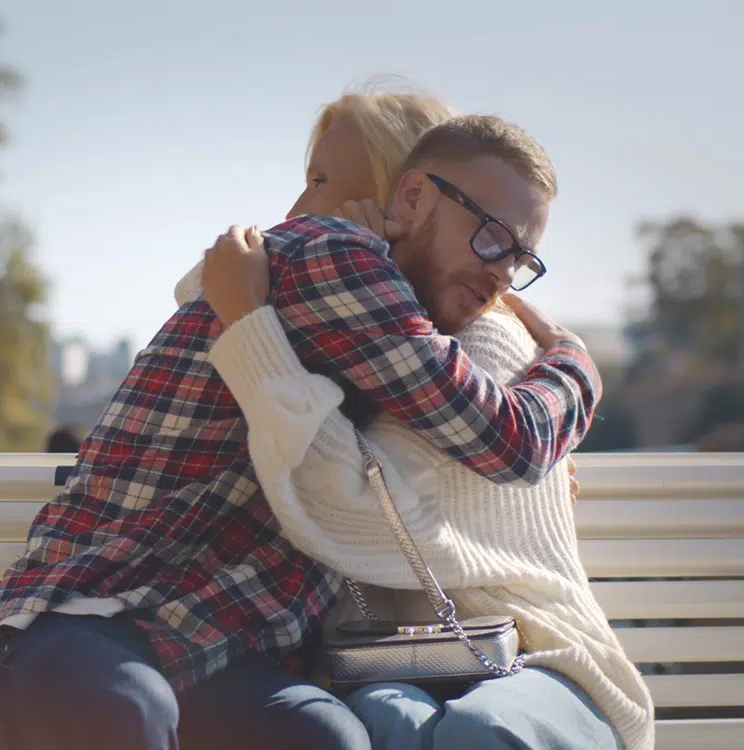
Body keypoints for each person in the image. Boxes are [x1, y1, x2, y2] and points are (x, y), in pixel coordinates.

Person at [0, 92, 601, 750]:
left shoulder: (421, 327)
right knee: (124, 706)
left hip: (219, 649)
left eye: (519, 258)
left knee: (326, 738)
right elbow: (513, 440)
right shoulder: (337, 254)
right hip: (100, 613)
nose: (502, 274)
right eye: (489, 237)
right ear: (411, 195)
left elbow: (487, 454)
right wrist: (575, 365)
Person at [194, 146, 654, 747]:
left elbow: (353, 504)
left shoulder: (486, 337)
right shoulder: (375, 340)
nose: (305, 213)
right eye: (493, 240)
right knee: (387, 720)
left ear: (402, 200)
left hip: (542, 658)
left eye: (516, 254)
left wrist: (249, 324)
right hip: (393, 658)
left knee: (475, 732)